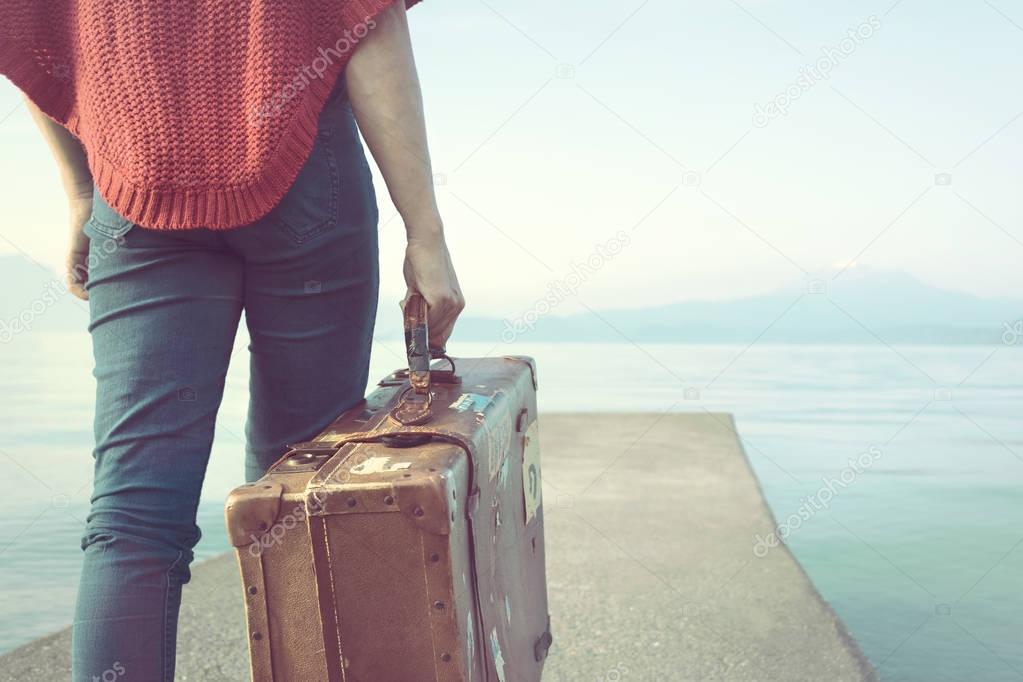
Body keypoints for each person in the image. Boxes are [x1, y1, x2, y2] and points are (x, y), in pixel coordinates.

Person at [1, 1, 463, 679]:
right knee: (301, 489)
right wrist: (424, 231)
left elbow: (33, 34)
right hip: (307, 172)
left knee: (133, 510)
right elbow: (367, 20)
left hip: (135, 187)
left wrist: (80, 193)